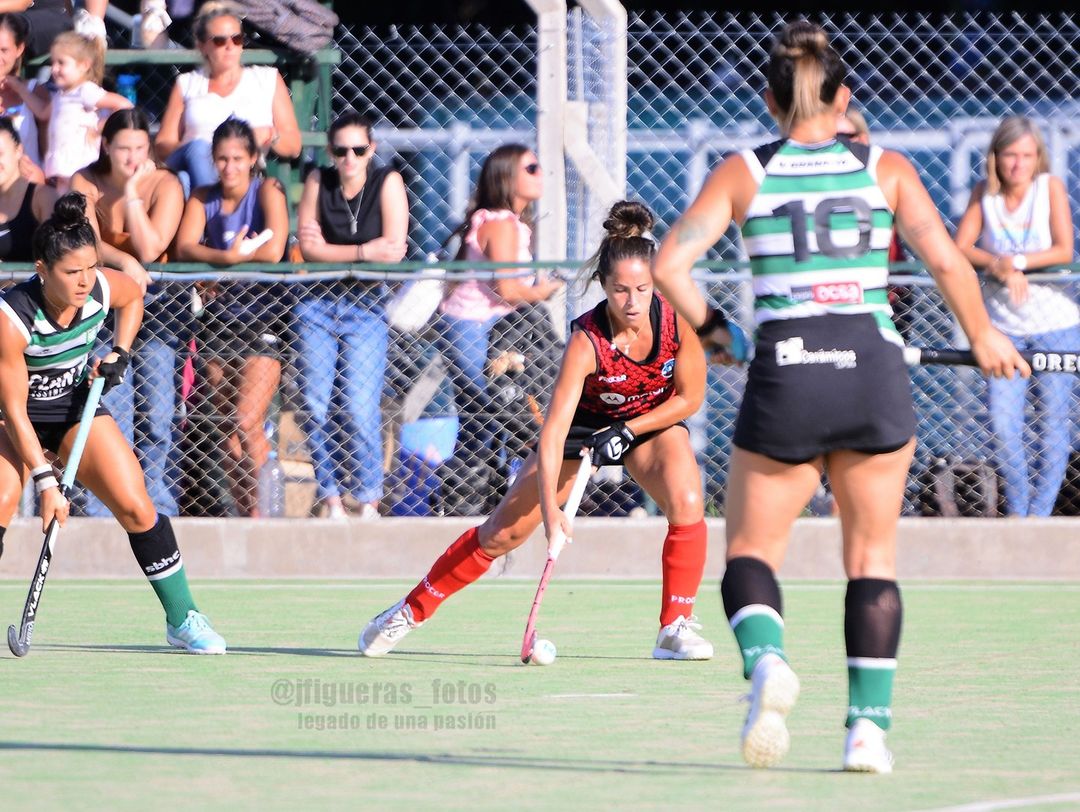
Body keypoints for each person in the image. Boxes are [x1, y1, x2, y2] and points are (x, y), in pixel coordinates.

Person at [650, 20, 1028, 773]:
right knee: (872, 560)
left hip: (788, 369)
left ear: (769, 100)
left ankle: (765, 665)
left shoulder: (742, 172)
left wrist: (720, 333)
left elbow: (668, 266)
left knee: (752, 553)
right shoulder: (886, 167)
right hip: (871, 368)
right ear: (844, 96)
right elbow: (949, 261)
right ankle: (866, 733)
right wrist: (985, 336)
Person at [360, 200, 714, 662]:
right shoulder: (587, 342)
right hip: (582, 430)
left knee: (687, 500)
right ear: (603, 286)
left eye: (643, 289)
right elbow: (553, 433)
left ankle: (674, 628)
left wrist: (629, 429)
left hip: (649, 420)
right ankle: (410, 609)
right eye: (621, 290)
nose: (632, 303)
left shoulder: (676, 320)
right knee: (502, 535)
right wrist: (552, 512)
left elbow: (689, 398)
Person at [0, 192, 226, 653]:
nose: (85, 282)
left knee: (137, 507)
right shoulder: (13, 319)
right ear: (41, 269)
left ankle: (183, 619)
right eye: (71, 273)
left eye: (90, 268)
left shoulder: (101, 286)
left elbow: (133, 295)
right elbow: (15, 411)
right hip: (12, 419)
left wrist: (120, 351)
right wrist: (45, 481)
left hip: (73, 411)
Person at [954, 116, 1080, 517]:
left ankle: (1038, 516)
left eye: (1026, 155)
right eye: (1010, 154)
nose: (1018, 164)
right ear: (995, 157)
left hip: (1056, 325)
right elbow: (959, 248)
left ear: (1037, 157)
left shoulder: (1049, 189)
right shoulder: (984, 194)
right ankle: (1019, 509)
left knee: (1052, 428)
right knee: (1004, 425)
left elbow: (1063, 251)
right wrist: (996, 264)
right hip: (1004, 330)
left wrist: (1018, 262)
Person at [71, 108, 186, 516]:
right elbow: (86, 242)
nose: (132, 157)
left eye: (140, 148)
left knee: (156, 413)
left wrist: (134, 191)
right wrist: (125, 262)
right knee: (110, 409)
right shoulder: (85, 181)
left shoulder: (165, 184)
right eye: (123, 149)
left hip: (157, 310)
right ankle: (105, 503)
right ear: (106, 146)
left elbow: (152, 247)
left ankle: (155, 502)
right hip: (105, 305)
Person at [295, 111, 408, 520]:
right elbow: (309, 249)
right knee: (315, 404)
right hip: (316, 304)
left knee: (360, 407)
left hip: (365, 306)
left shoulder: (387, 181)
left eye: (358, 150)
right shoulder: (317, 181)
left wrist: (335, 253)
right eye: (341, 151)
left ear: (371, 149)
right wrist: (363, 253)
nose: (349, 158)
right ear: (330, 152)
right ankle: (330, 496)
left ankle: (368, 496)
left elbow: (394, 249)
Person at [174, 117, 289, 517]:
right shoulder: (204, 197)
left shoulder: (267, 189)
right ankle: (246, 515)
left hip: (263, 320)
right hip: (220, 322)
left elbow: (273, 249)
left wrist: (227, 265)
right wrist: (227, 258)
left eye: (238, 158)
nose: (229, 167)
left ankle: (265, 514)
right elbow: (185, 245)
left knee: (246, 419)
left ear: (253, 159)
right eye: (222, 159)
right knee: (227, 431)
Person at [435, 143, 563, 473]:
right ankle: (478, 493)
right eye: (531, 169)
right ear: (508, 178)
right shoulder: (502, 223)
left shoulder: (508, 221)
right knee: (495, 412)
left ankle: (482, 493)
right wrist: (542, 292)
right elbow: (506, 288)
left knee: (483, 423)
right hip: (473, 327)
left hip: (485, 326)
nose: (540, 175)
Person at [154, 0, 301, 196]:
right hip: (197, 164)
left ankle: (211, 215)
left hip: (243, 174)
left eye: (237, 39)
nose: (230, 46)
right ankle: (219, 212)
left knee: (184, 182)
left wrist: (268, 134)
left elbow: (293, 145)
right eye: (219, 41)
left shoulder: (266, 79)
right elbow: (163, 144)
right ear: (202, 46)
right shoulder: (188, 83)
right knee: (194, 157)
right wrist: (197, 149)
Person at [4, 31, 133, 191]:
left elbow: (124, 105)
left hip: (78, 166)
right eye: (53, 63)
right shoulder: (60, 94)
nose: (54, 69)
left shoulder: (85, 90)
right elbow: (43, 112)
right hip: (61, 169)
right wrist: (21, 89)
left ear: (83, 65)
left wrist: (101, 126)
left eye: (61, 63)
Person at [0, 116, 51, 262]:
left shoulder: (42, 198)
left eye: (0, 154)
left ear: (18, 151)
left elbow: (60, 257)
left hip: (33, 284)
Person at [0, 13, 44, 182]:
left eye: (4, 50)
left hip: (27, 182)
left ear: (19, 49)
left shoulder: (35, 91)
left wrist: (19, 88)